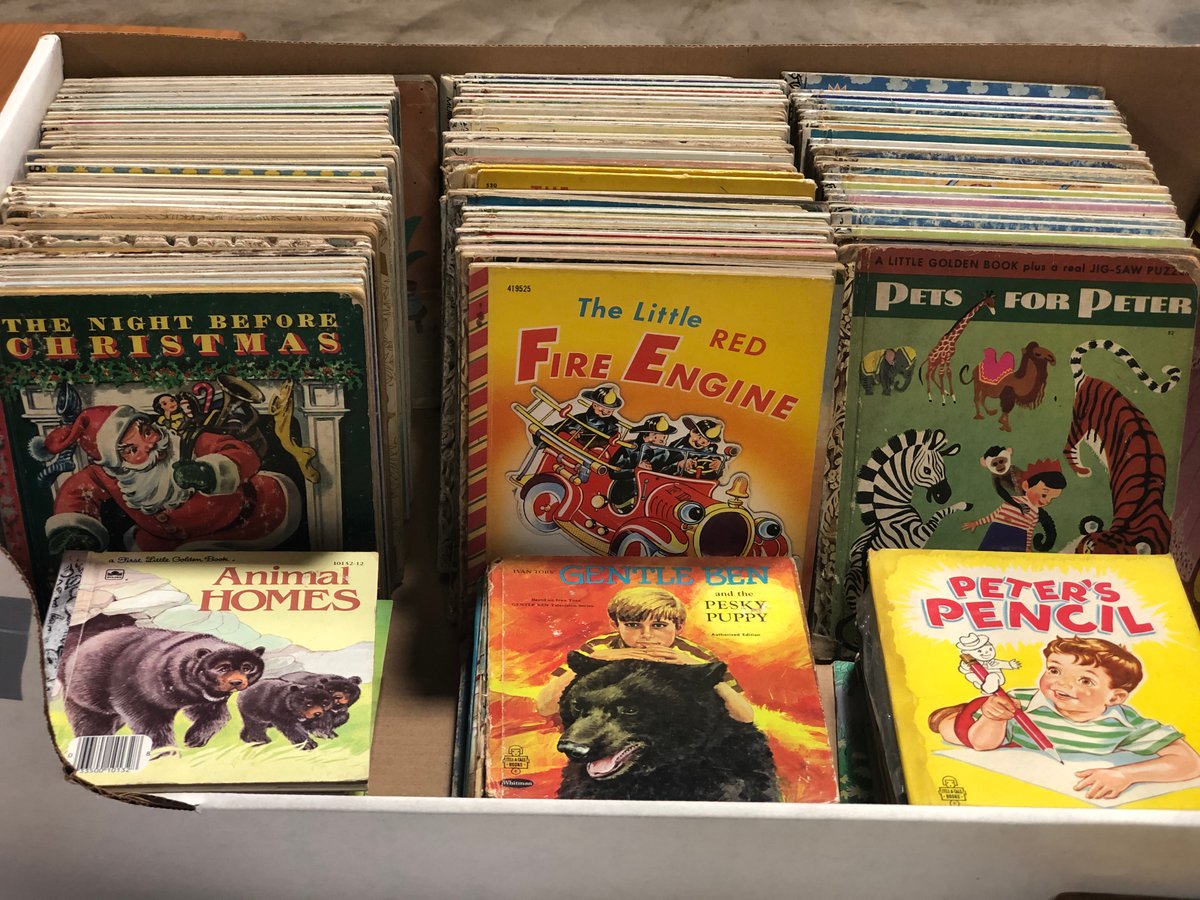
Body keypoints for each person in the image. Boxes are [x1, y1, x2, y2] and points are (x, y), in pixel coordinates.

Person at [929, 637, 1200, 800]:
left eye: (1085, 680)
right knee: (950, 730)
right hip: (986, 723)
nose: (1062, 684)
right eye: (1055, 670)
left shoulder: (1126, 724)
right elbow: (982, 744)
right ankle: (952, 713)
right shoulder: (1020, 703)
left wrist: (1125, 774)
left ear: (1115, 697)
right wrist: (993, 717)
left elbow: (1190, 763)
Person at [39, 404, 299, 554]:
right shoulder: (106, 475)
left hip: (246, 523)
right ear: (116, 463)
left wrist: (211, 471)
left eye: (147, 431)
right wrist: (75, 529)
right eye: (131, 449)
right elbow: (75, 492)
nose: (150, 445)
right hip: (169, 545)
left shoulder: (187, 442)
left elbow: (240, 452)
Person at [534, 586, 755, 723]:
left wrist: (697, 669)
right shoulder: (599, 648)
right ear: (615, 625)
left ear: (678, 627)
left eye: (658, 625)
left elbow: (745, 716)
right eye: (633, 625)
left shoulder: (696, 655)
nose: (646, 635)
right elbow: (545, 707)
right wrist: (595, 661)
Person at [962, 458, 1066, 552]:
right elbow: (994, 515)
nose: (1047, 501)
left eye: (1051, 499)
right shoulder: (1013, 501)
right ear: (1026, 486)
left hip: (1018, 537)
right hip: (998, 532)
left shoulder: (1035, 513)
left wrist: (1027, 547)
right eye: (1044, 495)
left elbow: (1029, 530)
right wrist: (976, 523)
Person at [606, 413, 675, 513]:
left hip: (651, 496)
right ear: (644, 436)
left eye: (664, 438)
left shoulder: (664, 453)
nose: (661, 441)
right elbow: (613, 472)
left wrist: (678, 465)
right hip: (626, 496)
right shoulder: (629, 449)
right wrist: (636, 470)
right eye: (655, 436)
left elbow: (665, 472)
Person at [547, 383, 625, 451]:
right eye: (602, 408)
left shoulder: (611, 425)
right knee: (553, 430)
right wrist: (571, 430)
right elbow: (565, 426)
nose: (605, 412)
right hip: (571, 443)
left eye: (609, 410)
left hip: (590, 448)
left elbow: (607, 439)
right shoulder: (581, 417)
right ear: (594, 405)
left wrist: (612, 437)